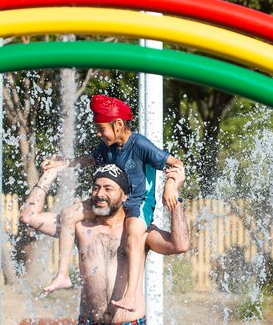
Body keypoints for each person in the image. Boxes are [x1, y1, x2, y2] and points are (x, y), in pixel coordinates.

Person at [41, 94, 184, 313]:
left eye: (101, 129)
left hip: (138, 201)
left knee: (134, 237)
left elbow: (176, 164)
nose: (98, 134)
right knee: (69, 214)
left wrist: (170, 186)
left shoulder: (140, 144)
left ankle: (130, 296)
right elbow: (89, 159)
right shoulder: (107, 146)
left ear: (118, 124)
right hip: (112, 201)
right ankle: (62, 275)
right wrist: (63, 164)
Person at [19, 163, 189, 324]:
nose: (100, 194)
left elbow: (179, 245)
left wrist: (174, 194)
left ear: (125, 196)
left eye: (108, 189)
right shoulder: (80, 227)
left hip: (130, 322)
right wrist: (49, 175)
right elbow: (28, 216)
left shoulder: (138, 232)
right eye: (96, 188)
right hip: (89, 321)